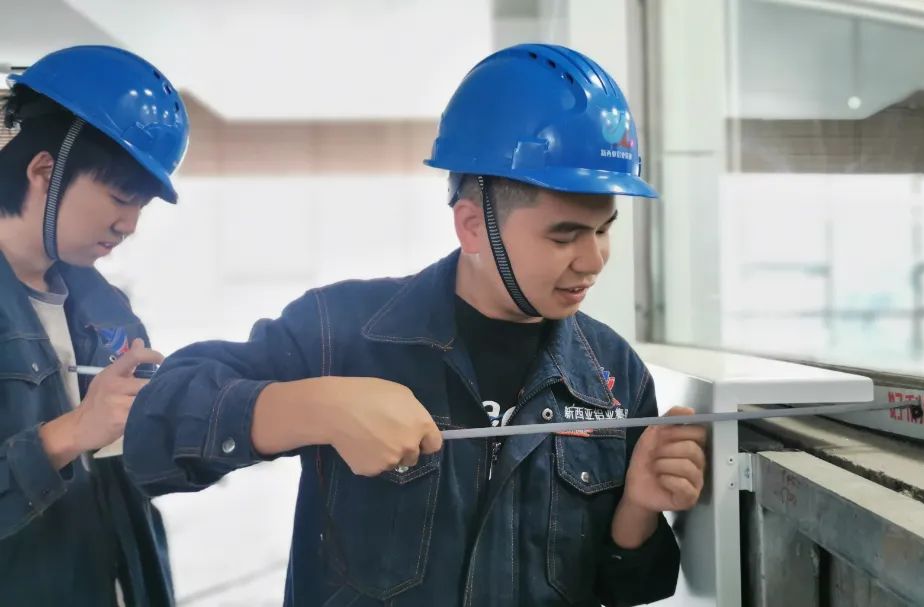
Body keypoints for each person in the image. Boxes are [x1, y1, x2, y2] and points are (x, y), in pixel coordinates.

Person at [124, 43, 706, 606]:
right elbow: (155, 429)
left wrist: (638, 511)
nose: (594, 260)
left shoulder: (611, 375)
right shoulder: (341, 333)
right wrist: (311, 407)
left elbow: (629, 588)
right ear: (473, 226)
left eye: (603, 229)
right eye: (565, 236)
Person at [0, 45, 188, 605]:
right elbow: (84, 434)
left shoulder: (107, 309)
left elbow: (131, 472)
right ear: (43, 171)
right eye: (120, 197)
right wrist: (70, 433)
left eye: (141, 206)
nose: (129, 225)